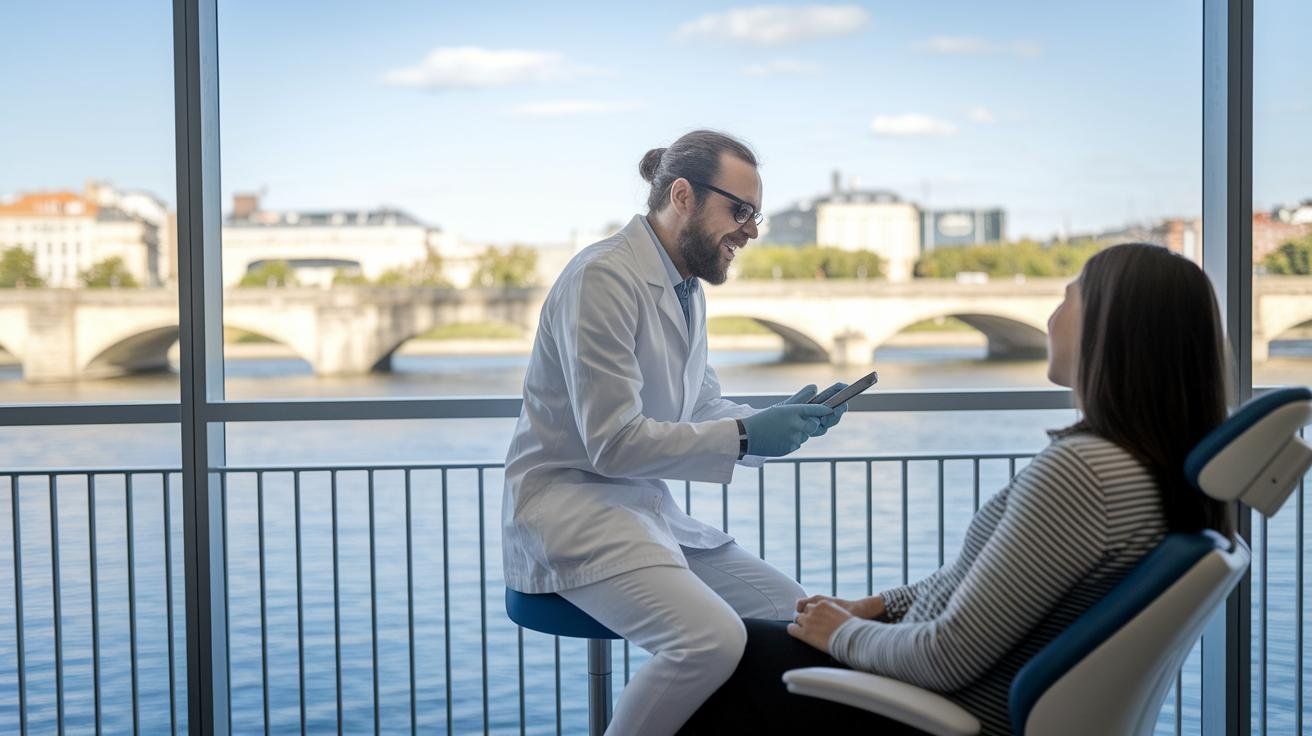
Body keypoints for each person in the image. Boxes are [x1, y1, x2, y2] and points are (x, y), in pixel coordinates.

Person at [681, 243, 1234, 735]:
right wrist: (879, 607)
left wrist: (842, 633)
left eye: (1069, 299)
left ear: (1112, 329)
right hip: (949, 694)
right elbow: (985, 591)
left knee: (723, 657)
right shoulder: (1141, 469)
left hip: (934, 706)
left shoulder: (1083, 475)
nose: (1050, 317)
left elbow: (945, 657)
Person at [501, 130, 852, 736]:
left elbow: (702, 403)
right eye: (739, 211)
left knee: (796, 617)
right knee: (708, 644)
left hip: (639, 509)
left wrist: (782, 424)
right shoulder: (603, 278)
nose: (751, 230)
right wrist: (746, 437)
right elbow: (612, 443)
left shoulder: (686, 287)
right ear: (683, 196)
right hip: (568, 513)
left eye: (756, 214)